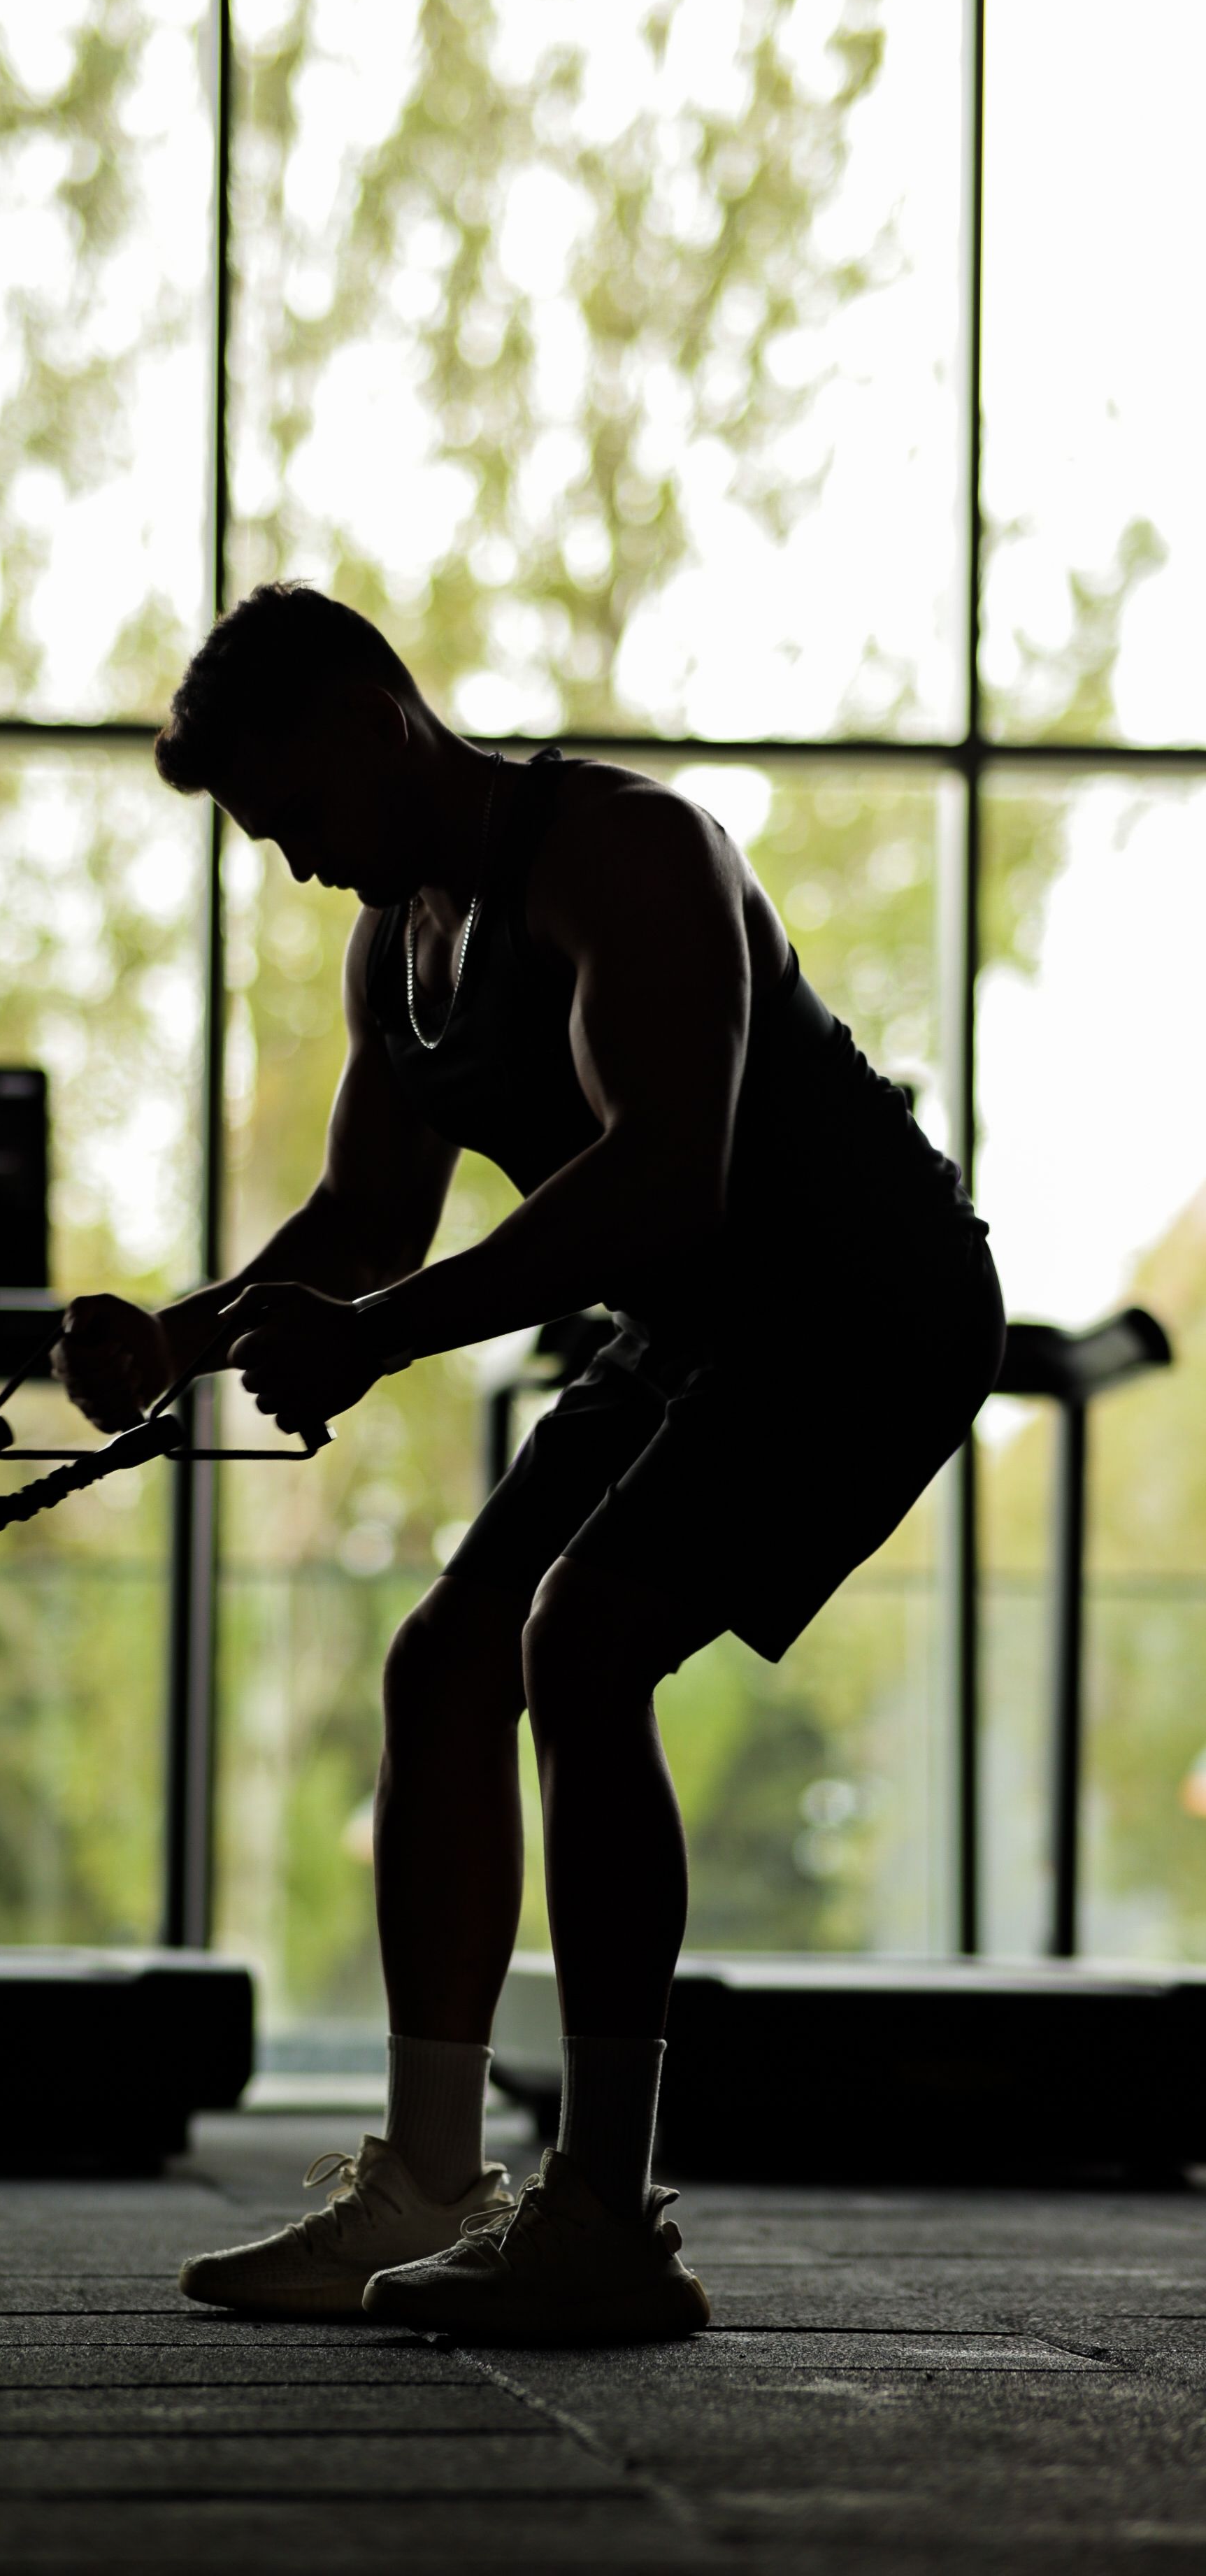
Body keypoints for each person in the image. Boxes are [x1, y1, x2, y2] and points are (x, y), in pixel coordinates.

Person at [53, 581, 1006, 2345]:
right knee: (447, 1665)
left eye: (297, 816)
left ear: (375, 721)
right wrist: (175, 1342)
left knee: (582, 1639)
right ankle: (427, 2183)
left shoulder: (629, 857)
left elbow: (667, 1178)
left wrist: (383, 1331)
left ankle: (605, 2218)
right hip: (701, 1327)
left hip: (868, 1306)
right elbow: (360, 1220)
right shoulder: (397, 947)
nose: (297, 863)